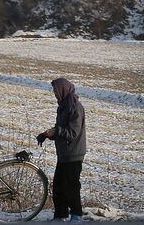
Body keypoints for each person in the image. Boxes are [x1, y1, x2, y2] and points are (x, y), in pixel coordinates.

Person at [37, 78, 86, 222]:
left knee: (71, 186)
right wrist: (47, 135)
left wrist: (55, 131)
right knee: (58, 186)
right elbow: (60, 131)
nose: (55, 94)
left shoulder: (76, 107)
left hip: (74, 153)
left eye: (56, 91)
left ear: (63, 90)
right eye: (54, 91)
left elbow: (72, 133)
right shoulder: (63, 107)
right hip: (64, 153)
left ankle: (77, 216)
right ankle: (60, 216)